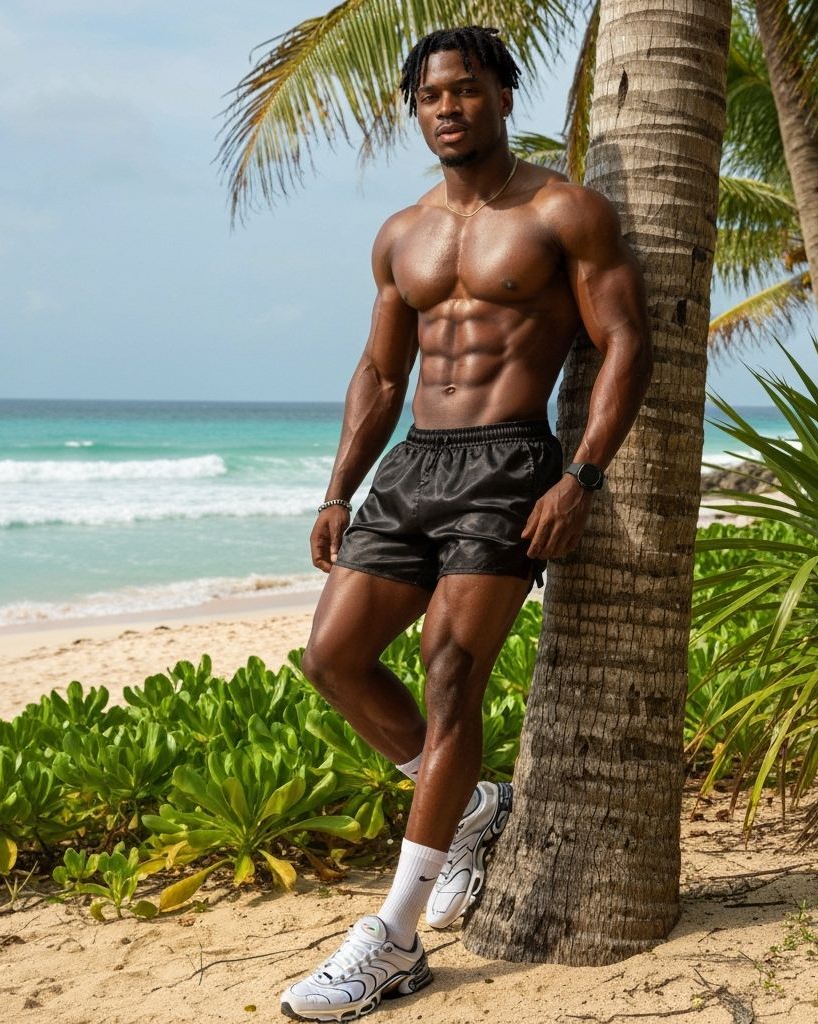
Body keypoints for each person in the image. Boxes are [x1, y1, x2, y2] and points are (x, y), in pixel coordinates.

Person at [279, 24, 652, 1023]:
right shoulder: (400, 233)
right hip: (414, 467)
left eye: (466, 90)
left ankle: (392, 938)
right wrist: (337, 487)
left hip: (508, 463)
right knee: (333, 657)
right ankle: (474, 807)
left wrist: (580, 474)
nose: (449, 108)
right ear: (417, 110)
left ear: (500, 95)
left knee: (452, 674)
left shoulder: (561, 211)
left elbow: (622, 343)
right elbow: (382, 371)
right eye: (431, 96)